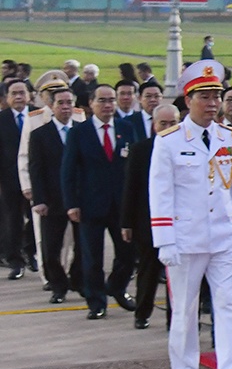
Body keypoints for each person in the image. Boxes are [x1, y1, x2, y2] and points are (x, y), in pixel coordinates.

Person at [152, 60, 232, 369]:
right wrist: (165, 240)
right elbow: (161, 193)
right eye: (205, 96)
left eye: (216, 96)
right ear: (188, 99)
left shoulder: (230, 138)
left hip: (223, 236)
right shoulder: (168, 141)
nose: (213, 103)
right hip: (186, 238)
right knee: (184, 309)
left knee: (228, 305)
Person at [63, 80, 134, 319]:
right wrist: (71, 204)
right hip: (90, 205)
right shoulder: (78, 133)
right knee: (92, 257)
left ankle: (116, 286)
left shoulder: (127, 127)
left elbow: (133, 168)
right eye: (101, 100)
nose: (107, 105)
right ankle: (96, 302)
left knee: (127, 254)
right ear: (91, 104)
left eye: (111, 100)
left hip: (121, 205)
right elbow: (68, 171)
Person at [120, 100, 179, 331]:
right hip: (148, 222)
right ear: (154, 125)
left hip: (179, 222)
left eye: (172, 123)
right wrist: (127, 222)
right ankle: (142, 312)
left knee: (176, 276)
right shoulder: (141, 150)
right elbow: (130, 189)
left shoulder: (187, 147)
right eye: (163, 123)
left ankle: (174, 319)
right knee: (148, 270)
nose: (167, 127)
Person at [26, 81, 77, 304]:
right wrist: (39, 200)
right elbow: (35, 169)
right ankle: (58, 285)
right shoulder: (40, 134)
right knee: (51, 248)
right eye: (61, 103)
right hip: (52, 200)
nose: (65, 107)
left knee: (84, 247)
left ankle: (78, 279)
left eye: (69, 103)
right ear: (52, 106)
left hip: (77, 199)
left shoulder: (81, 132)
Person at [0, 79, 32, 278]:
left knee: (37, 219)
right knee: (12, 220)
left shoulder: (39, 116)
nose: (19, 97)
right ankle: (15, 261)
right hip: (9, 179)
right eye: (14, 93)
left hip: (35, 178)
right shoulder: (2, 119)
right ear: (7, 97)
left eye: (22, 92)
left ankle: (31, 251)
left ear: (29, 95)